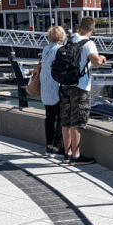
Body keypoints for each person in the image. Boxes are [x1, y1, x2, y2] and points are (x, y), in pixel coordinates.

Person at [59, 16, 107, 165]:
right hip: (80, 87)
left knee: (65, 121)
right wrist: (102, 58)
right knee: (77, 122)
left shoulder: (69, 40)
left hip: (65, 85)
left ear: (81, 27)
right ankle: (76, 156)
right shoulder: (89, 43)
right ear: (92, 30)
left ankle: (66, 154)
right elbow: (96, 61)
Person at [40, 25, 66, 156]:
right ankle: (57, 147)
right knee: (61, 117)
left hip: (44, 87)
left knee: (49, 117)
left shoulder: (46, 49)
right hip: (55, 87)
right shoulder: (60, 49)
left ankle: (48, 146)